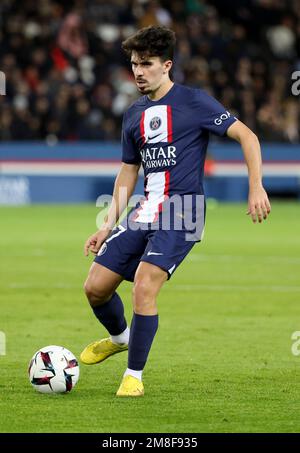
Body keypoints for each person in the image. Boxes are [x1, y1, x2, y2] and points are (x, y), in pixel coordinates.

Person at [80, 25, 271, 397]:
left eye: (146, 64)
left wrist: (256, 185)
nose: (138, 71)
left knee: (144, 287)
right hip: (145, 209)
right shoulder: (133, 114)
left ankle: (133, 376)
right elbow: (128, 171)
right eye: (134, 64)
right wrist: (107, 224)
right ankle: (120, 339)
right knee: (95, 288)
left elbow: (248, 136)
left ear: (166, 65)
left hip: (184, 211)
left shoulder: (194, 102)